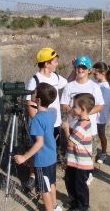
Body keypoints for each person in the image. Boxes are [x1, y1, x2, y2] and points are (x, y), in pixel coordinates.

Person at [24, 47, 68, 191]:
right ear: (46, 63)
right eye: (54, 61)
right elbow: (29, 103)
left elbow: (67, 83)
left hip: (53, 122)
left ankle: (48, 176)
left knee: (50, 149)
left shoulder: (55, 77)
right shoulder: (34, 81)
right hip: (41, 124)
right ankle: (33, 176)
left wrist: (75, 69)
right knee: (37, 150)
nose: (56, 64)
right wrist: (37, 121)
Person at [14, 83, 62, 211]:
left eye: (33, 93)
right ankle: (54, 205)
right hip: (51, 157)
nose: (31, 94)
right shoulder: (48, 116)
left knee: (44, 189)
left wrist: (24, 157)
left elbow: (39, 142)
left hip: (42, 160)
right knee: (51, 183)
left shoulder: (36, 119)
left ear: (38, 100)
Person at [60, 56, 104, 185]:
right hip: (73, 126)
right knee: (74, 150)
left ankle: (88, 173)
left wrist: (85, 113)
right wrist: (71, 112)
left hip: (89, 128)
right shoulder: (69, 86)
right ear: (75, 68)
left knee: (90, 151)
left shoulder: (94, 87)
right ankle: (74, 172)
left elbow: (100, 105)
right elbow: (64, 104)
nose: (81, 69)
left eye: (84, 67)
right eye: (78, 67)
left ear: (89, 70)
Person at [61, 93, 95, 211]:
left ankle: (83, 206)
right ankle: (75, 202)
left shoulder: (82, 125)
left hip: (81, 163)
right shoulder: (81, 122)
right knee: (70, 181)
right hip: (74, 161)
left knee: (80, 186)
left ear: (83, 109)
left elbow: (71, 142)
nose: (72, 108)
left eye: (74, 106)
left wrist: (66, 129)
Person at [92, 62, 110, 164]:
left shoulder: (106, 87)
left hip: (100, 117)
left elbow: (102, 103)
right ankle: (93, 154)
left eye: (95, 74)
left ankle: (103, 153)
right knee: (93, 135)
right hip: (93, 115)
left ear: (102, 73)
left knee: (101, 134)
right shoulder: (95, 83)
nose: (94, 75)